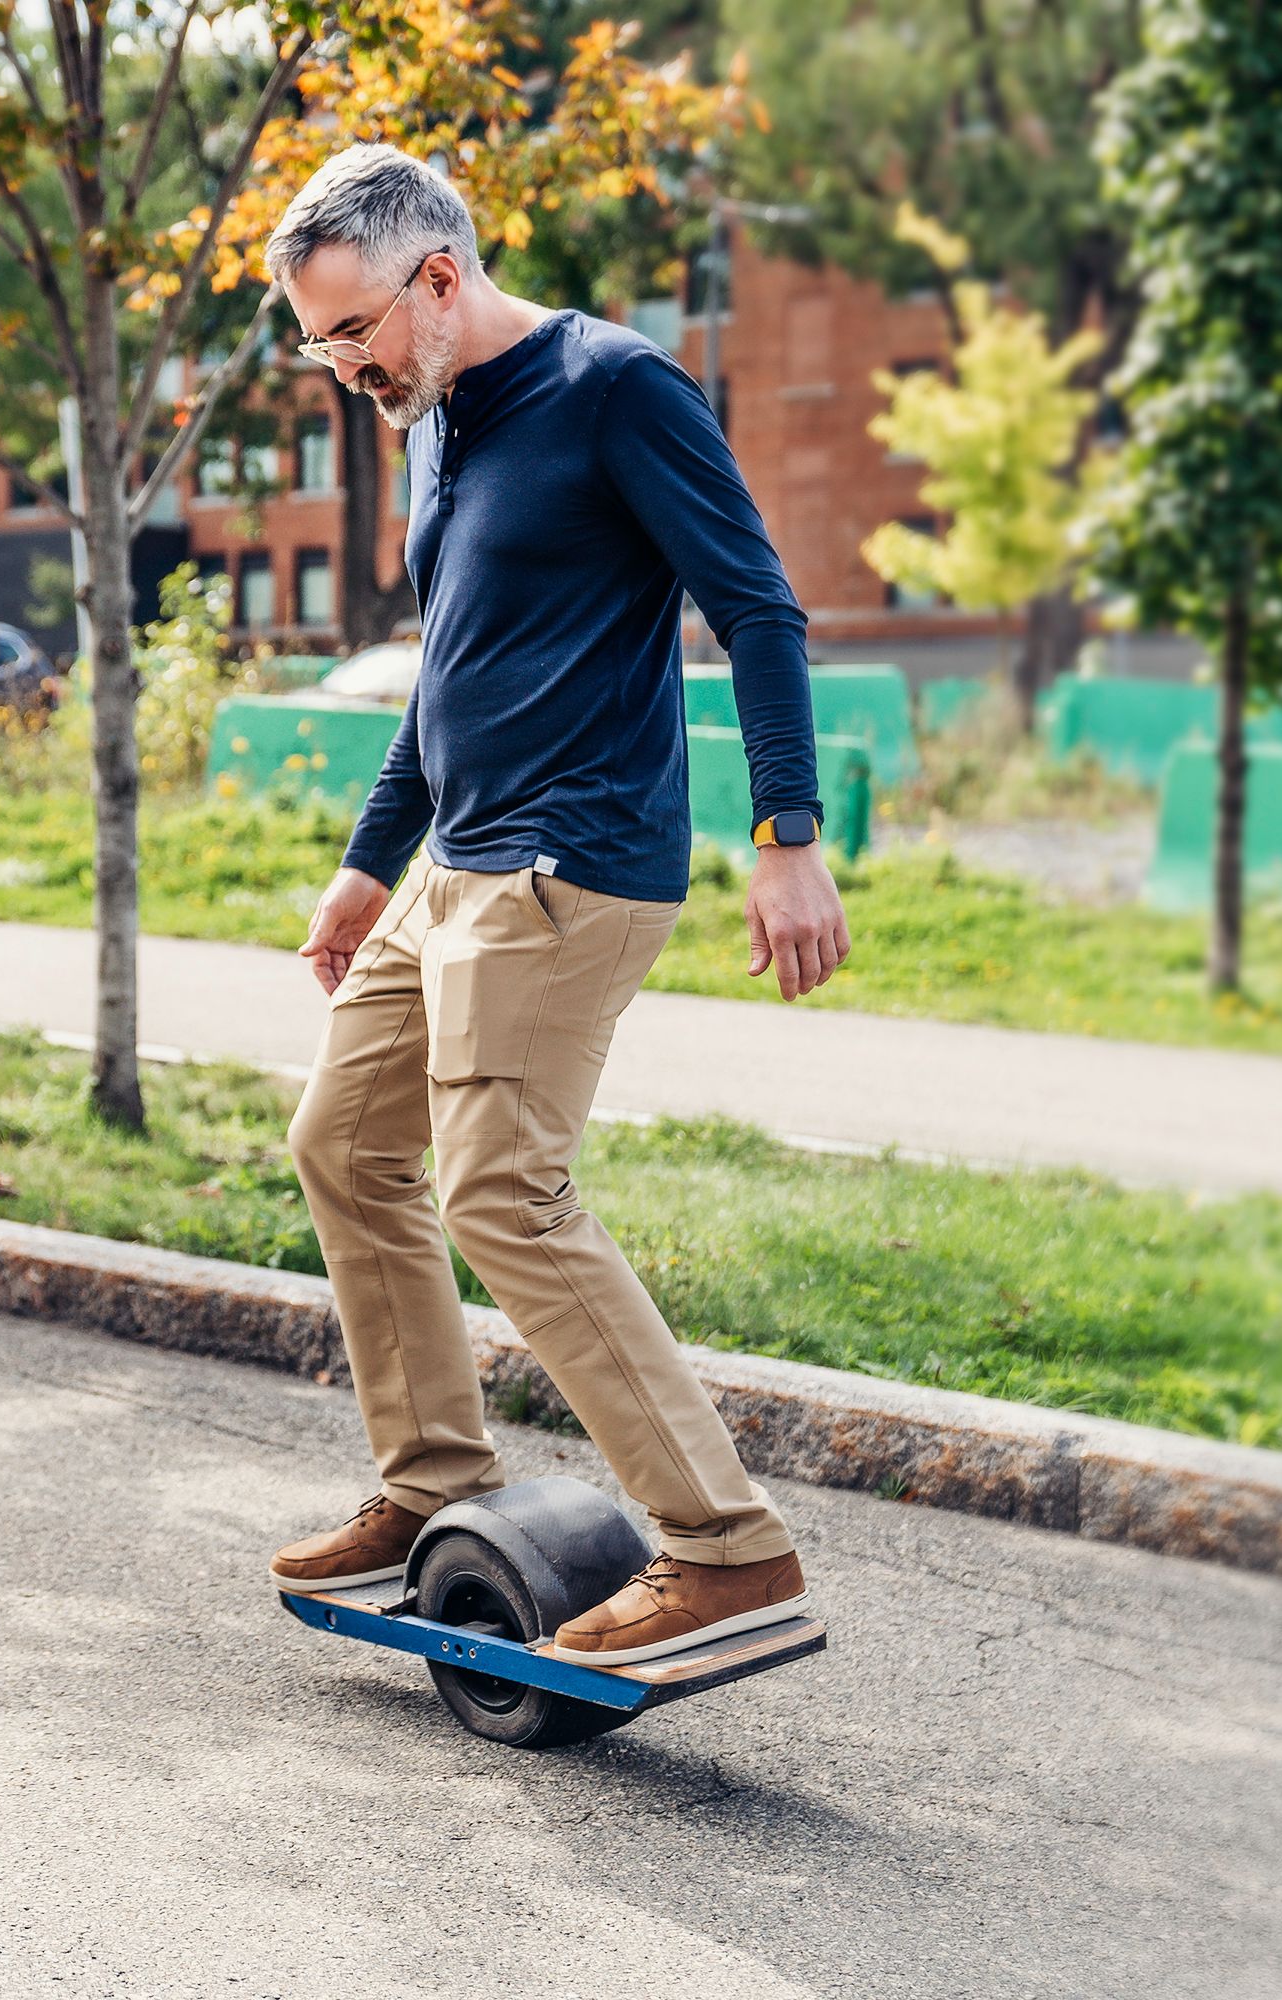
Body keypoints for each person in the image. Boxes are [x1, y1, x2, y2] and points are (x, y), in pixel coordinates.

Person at [261, 143, 852, 1667]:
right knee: (341, 1142)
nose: (342, 369)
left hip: (570, 863)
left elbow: (758, 605)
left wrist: (789, 829)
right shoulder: (439, 419)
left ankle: (725, 1548)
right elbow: (448, 678)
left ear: (440, 279)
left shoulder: (618, 390)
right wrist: (367, 861)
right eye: (320, 341)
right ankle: (430, 1479)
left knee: (502, 1194)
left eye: (355, 333)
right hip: (454, 865)